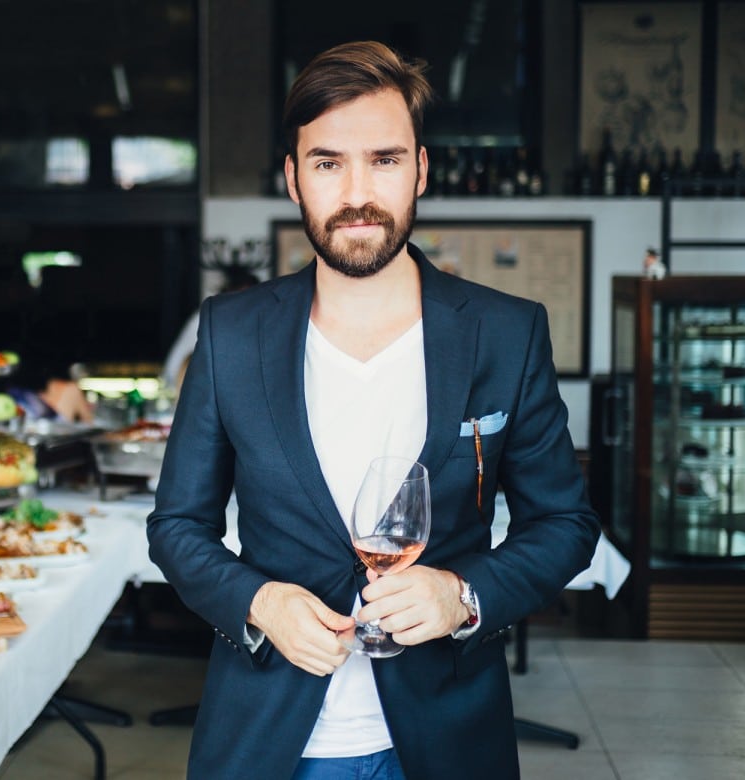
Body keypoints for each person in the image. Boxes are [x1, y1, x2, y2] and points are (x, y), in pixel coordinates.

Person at [147, 41, 599, 780]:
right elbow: (176, 527)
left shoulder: (506, 333)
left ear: (420, 169)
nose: (357, 191)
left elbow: (566, 524)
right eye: (328, 162)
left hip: (446, 740)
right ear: (294, 179)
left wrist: (464, 595)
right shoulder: (230, 333)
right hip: (266, 742)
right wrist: (259, 602)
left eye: (384, 160)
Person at [161, 267, 260, 391]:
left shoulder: (257, 326)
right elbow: (173, 370)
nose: (244, 305)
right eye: (241, 297)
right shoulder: (205, 320)